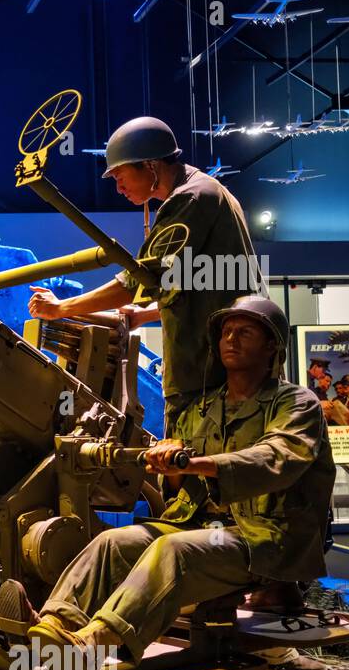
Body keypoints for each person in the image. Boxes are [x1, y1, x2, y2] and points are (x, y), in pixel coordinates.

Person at [21, 297, 335, 670]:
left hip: (265, 537)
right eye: (226, 332)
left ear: (272, 346)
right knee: (114, 543)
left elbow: (278, 460)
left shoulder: (296, 403)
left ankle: (95, 641)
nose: (231, 339)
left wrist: (200, 464)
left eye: (245, 332)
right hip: (200, 525)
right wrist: (166, 464)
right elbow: (176, 488)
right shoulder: (202, 407)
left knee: (173, 550)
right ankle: (52, 627)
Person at [28, 117, 263, 436]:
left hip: (211, 378)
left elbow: (136, 280)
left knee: (194, 475)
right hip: (222, 372)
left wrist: (61, 309)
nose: (118, 187)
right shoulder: (206, 192)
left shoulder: (190, 199)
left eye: (121, 176)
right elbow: (207, 284)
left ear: (151, 167)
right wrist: (147, 313)